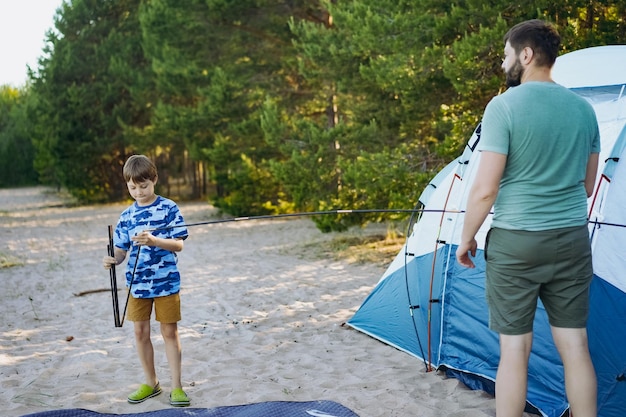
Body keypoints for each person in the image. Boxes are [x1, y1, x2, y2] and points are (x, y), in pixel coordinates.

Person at [455, 20, 599, 417]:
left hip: (516, 242)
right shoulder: (584, 110)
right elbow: (587, 186)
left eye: (506, 55)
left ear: (526, 54)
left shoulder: (503, 107)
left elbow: (485, 188)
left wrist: (467, 237)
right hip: (570, 239)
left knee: (514, 350)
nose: (504, 63)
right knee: (575, 347)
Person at [103, 154, 190, 407]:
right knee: (140, 333)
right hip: (137, 284)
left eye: (144, 186)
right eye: (132, 187)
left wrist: (155, 241)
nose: (139, 192)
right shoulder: (127, 216)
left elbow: (179, 244)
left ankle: (177, 387)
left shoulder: (169, 208)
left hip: (166, 282)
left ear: (154, 180)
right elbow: (120, 251)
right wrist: (112, 259)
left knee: (169, 332)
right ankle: (151, 383)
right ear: (127, 185)